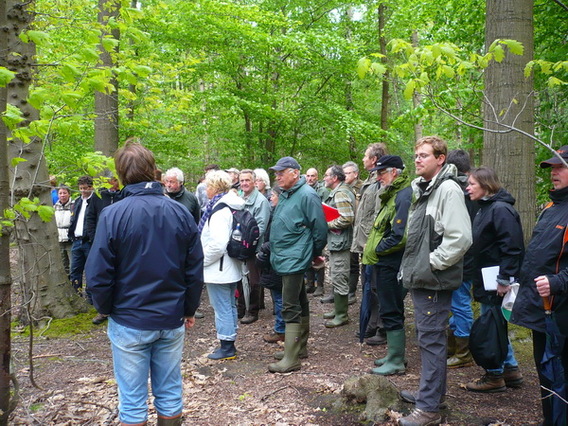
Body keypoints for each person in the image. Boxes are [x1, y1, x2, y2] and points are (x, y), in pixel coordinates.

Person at [86, 142, 204, 426]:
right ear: (153, 171)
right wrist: (188, 309)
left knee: (133, 400)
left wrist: (107, 308)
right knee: (168, 391)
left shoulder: (114, 215)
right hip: (163, 317)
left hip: (134, 318)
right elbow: (194, 270)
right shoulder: (178, 212)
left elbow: (98, 274)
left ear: (122, 174)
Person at [398, 136, 472, 426]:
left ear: (441, 159)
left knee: (431, 340)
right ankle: (431, 396)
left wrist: (431, 264)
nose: (417, 159)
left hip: (434, 280)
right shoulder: (426, 189)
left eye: (424, 155)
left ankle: (428, 409)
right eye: (416, 155)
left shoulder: (448, 189)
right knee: (429, 338)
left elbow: (460, 238)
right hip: (423, 279)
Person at [511, 146, 568, 426]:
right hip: (541, 310)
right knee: (544, 372)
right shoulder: (550, 208)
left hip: (561, 312)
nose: (553, 173)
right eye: (552, 168)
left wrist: (557, 282)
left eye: (560, 168)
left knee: (560, 373)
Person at [464, 166, 524, 392]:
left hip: (496, 282)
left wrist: (505, 279)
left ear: (486, 185)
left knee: (491, 326)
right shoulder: (485, 208)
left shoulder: (500, 210)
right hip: (486, 278)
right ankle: (511, 369)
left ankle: (495, 375)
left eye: (471, 184)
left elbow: (512, 247)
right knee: (496, 324)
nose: (467, 188)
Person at [267, 157, 327, 373]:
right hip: (287, 255)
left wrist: (313, 253)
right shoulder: (288, 194)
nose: (278, 176)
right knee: (299, 300)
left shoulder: (307, 195)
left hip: (295, 256)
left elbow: (320, 229)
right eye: (276, 173)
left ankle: (291, 358)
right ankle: (298, 348)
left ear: (294, 172)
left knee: (290, 304)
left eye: (281, 172)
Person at [362, 155, 412, 376]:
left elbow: (400, 236)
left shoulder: (403, 195)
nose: (378, 177)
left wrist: (378, 249)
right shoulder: (393, 194)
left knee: (391, 308)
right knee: (390, 307)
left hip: (391, 262)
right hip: (386, 261)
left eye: (382, 173)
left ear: (394, 172)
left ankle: (396, 360)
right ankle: (395, 354)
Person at [198, 170, 245, 360]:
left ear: (216, 187)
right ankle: (229, 342)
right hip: (229, 266)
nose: (206, 189)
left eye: (208, 185)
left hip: (219, 268)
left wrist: (201, 261)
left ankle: (227, 346)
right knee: (229, 305)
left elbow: (217, 245)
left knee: (222, 307)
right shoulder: (230, 206)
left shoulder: (219, 210)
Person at [352, 142, 388, 346]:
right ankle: (372, 324)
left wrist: (371, 243)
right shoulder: (370, 181)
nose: (363, 160)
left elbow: (377, 216)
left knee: (377, 287)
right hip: (365, 243)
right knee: (368, 287)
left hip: (372, 245)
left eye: (366, 156)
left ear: (374, 159)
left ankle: (382, 327)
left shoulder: (381, 182)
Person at [446, 149, 477, 369]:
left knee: (460, 303)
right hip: (468, 256)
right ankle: (454, 345)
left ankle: (464, 351)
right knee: (457, 302)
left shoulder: (463, 192)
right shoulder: (473, 189)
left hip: (465, 258)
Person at [322, 165, 355, 328]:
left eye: (326, 175)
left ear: (335, 178)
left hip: (342, 242)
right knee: (336, 275)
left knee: (340, 276)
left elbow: (347, 218)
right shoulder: (339, 191)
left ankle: (342, 315)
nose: (324, 178)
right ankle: (337, 309)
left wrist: (326, 224)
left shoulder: (341, 193)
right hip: (337, 242)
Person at [238, 169, 271, 325]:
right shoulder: (239, 198)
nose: (244, 183)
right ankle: (241, 307)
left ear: (254, 181)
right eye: (242, 180)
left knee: (254, 280)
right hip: (239, 246)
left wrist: (246, 242)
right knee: (241, 278)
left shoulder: (261, 201)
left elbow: (260, 227)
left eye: (247, 180)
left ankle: (253, 311)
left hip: (254, 246)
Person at [256, 185, 285, 343]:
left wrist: (266, 247)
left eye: (273, 195)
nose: (270, 198)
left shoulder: (281, 214)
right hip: (274, 259)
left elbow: (279, 239)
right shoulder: (276, 212)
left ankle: (281, 330)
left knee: (280, 297)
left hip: (278, 260)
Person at [68, 176, 103, 298]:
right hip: (76, 241)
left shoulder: (96, 201)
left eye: (85, 188)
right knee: (75, 270)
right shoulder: (77, 201)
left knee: (91, 270)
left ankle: (90, 296)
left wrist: (94, 239)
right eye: (81, 188)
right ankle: (76, 293)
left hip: (89, 241)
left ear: (91, 187)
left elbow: (96, 221)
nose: (83, 191)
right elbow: (74, 219)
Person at [305, 167, 329, 297]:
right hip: (307, 227)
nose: (310, 178)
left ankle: (320, 285)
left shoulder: (323, 191)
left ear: (317, 177)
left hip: (318, 226)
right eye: (308, 176)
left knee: (319, 255)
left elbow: (326, 209)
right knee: (307, 254)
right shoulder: (304, 189)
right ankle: (310, 283)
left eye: (312, 176)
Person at [343, 161, 363, 305]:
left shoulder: (362, 187)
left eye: (347, 173)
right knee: (345, 260)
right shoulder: (343, 187)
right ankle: (340, 292)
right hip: (346, 228)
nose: (344, 176)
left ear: (355, 174)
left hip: (358, 228)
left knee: (354, 261)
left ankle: (351, 292)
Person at [54, 185, 74, 276]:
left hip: (70, 240)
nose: (62, 195)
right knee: (63, 263)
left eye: (64, 193)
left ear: (69, 194)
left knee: (73, 264)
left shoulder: (74, 206)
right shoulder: (54, 207)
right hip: (59, 239)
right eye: (60, 193)